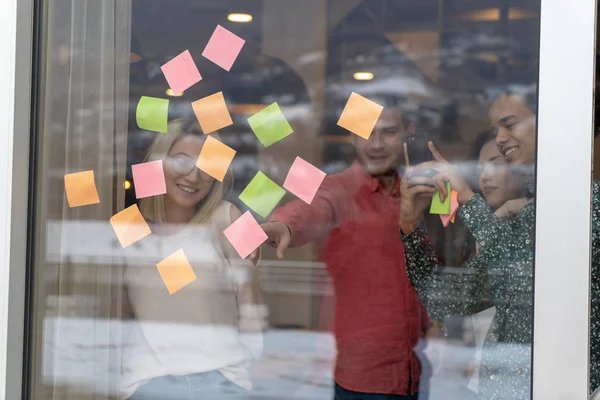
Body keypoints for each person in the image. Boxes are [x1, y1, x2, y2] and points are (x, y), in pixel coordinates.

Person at [399, 91, 600, 398]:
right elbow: (450, 299)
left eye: (510, 125)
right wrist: (411, 226)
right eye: (496, 130)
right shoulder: (529, 211)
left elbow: (520, 276)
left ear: (554, 120)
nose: (502, 138)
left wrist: (467, 200)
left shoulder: (587, 205)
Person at [262, 104, 427, 399]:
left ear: (408, 132)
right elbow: (312, 209)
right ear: (351, 136)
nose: (376, 144)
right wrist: (285, 226)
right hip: (363, 380)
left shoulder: (420, 190)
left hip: (416, 370)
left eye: (388, 132)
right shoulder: (338, 188)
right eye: (366, 133)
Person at [120, 118, 266, 400]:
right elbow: (116, 314)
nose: (193, 177)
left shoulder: (229, 217)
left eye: (206, 167)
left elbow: (254, 305)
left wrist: (239, 372)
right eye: (181, 161)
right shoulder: (128, 227)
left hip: (221, 382)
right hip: (147, 383)